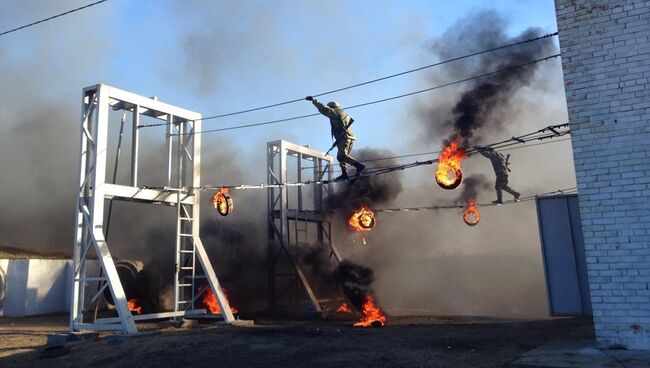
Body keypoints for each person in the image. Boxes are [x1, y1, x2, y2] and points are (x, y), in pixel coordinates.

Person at [306, 96, 365, 180]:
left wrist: (314, 101)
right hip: (349, 137)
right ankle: (344, 174)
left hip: (344, 138)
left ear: (333, 108)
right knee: (340, 157)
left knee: (343, 156)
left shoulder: (335, 113)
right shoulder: (344, 113)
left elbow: (324, 109)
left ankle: (359, 166)